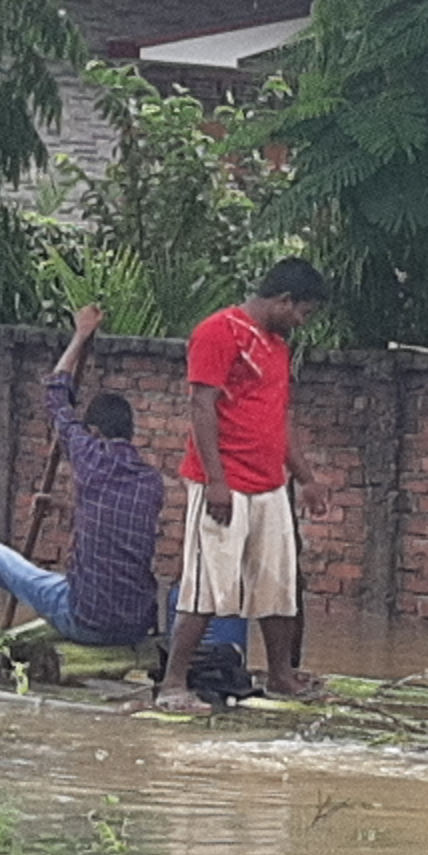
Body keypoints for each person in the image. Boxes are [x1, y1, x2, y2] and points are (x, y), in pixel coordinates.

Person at [0, 304, 186, 653]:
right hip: (135, 623)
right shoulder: (151, 482)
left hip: (87, 620)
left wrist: (80, 335)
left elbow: (56, 391)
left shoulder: (89, 455)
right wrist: (61, 507)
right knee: (62, 582)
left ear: (95, 432)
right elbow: (110, 523)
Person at [154, 256, 324, 705]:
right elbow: (201, 406)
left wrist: (305, 477)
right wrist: (215, 481)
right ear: (284, 300)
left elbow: (279, 417)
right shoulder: (218, 331)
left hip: (269, 485)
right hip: (224, 482)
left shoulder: (277, 346)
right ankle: (173, 682)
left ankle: (281, 675)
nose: (301, 322)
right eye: (302, 313)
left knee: (278, 584)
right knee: (205, 584)